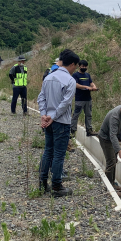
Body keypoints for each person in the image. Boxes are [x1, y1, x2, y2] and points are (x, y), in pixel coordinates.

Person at [37, 49, 80, 197]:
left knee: (48, 151)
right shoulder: (70, 80)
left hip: (48, 121)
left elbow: (40, 98)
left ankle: (42, 183)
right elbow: (66, 103)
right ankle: (56, 185)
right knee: (59, 154)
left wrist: (44, 115)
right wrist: (53, 117)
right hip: (61, 122)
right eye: (76, 66)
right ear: (72, 64)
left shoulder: (49, 77)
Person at [70, 60, 98, 140]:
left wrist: (94, 87)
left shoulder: (87, 75)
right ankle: (72, 131)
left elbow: (91, 83)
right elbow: (76, 84)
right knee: (76, 115)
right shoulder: (75, 75)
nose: (84, 68)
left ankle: (89, 130)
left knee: (89, 115)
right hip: (79, 99)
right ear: (79, 66)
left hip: (88, 99)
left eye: (85, 66)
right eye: (82, 66)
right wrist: (86, 87)